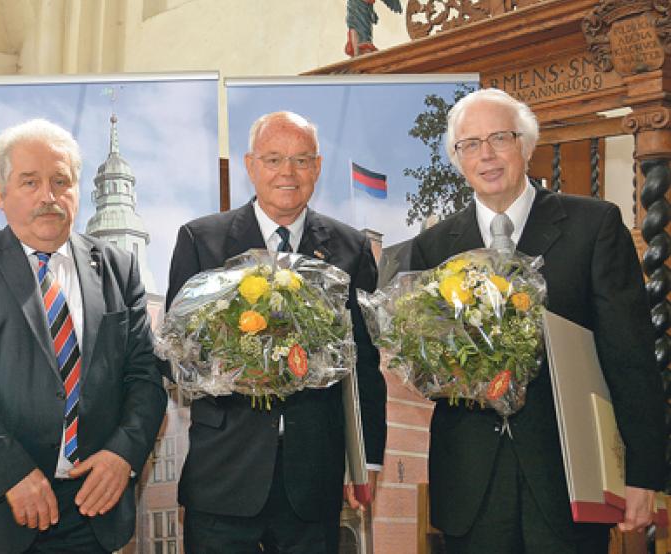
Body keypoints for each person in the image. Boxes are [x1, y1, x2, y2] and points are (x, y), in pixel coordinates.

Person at [410, 88, 666, 553]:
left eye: (500, 138)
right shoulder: (433, 247)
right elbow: (430, 365)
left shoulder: (595, 226)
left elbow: (630, 357)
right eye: (470, 144)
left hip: (570, 479)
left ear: (527, 145)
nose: (486, 155)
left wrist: (644, 472)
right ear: (456, 157)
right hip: (471, 484)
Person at [0, 118, 167, 554]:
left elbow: (143, 375)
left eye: (61, 181)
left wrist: (123, 455)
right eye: (30, 182)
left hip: (91, 511)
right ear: (1, 194)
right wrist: (11, 473)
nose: (48, 196)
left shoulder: (119, 268)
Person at [165, 111, 387, 553]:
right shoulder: (200, 240)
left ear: (318, 167)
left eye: (301, 160)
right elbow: (174, 354)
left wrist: (367, 459)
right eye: (273, 159)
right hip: (223, 478)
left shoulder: (351, 248)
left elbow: (364, 362)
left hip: (313, 480)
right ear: (250, 166)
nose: (288, 172)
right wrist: (230, 364)